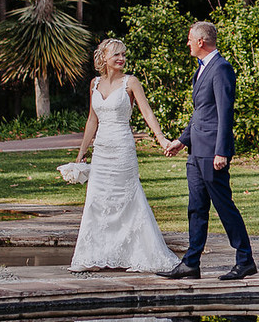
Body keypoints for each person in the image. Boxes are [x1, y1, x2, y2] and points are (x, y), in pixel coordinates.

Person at [67, 38, 179, 273]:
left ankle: (136, 254)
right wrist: (81, 153)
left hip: (122, 149)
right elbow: (91, 120)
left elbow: (147, 112)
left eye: (124, 55)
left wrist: (161, 138)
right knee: (97, 201)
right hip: (101, 152)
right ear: (104, 58)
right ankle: (94, 256)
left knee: (127, 198)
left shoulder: (131, 82)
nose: (122, 59)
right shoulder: (94, 84)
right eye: (117, 55)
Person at [161, 21, 256, 281]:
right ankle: (191, 264)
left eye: (190, 39)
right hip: (195, 152)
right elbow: (201, 113)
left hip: (213, 152)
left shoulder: (221, 68)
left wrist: (222, 152)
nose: (188, 43)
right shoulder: (201, 70)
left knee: (224, 206)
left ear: (201, 41)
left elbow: (225, 113)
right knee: (196, 208)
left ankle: (245, 260)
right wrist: (182, 141)